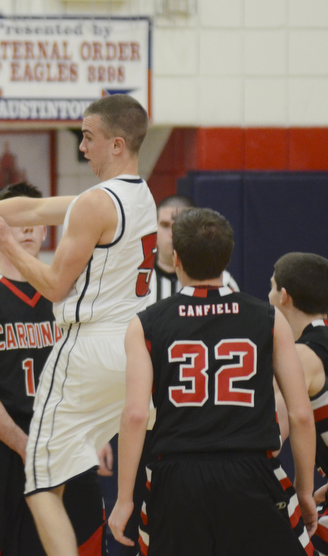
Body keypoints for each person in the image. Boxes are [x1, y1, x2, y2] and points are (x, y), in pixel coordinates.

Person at [0, 93, 157, 556]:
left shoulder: (95, 204)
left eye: (88, 138)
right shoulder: (141, 195)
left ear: (115, 144)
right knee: (76, 467)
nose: (81, 148)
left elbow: (52, 286)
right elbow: (35, 209)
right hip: (135, 352)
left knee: (39, 485)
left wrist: (5, 243)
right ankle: (128, 502)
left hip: (89, 349)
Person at [108, 208, 317, 556]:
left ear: (175, 258)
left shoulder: (145, 324)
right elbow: (300, 414)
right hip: (252, 473)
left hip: (175, 478)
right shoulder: (269, 318)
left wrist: (124, 499)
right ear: (228, 256)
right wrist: (305, 490)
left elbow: (135, 416)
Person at [0, 182, 105, 556]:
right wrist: (26, 445)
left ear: (47, 227)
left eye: (35, 219)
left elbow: (93, 374)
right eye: (19, 219)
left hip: (65, 446)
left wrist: (94, 433)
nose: (30, 227)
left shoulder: (71, 297)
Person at [268, 252, 328, 553]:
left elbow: (270, 437)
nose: (267, 295)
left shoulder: (301, 357)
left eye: (271, 287)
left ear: (284, 297)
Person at [150, 194, 238, 302]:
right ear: (153, 229)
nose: (173, 234)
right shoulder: (137, 282)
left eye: (182, 227)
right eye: (165, 225)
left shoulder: (224, 282)